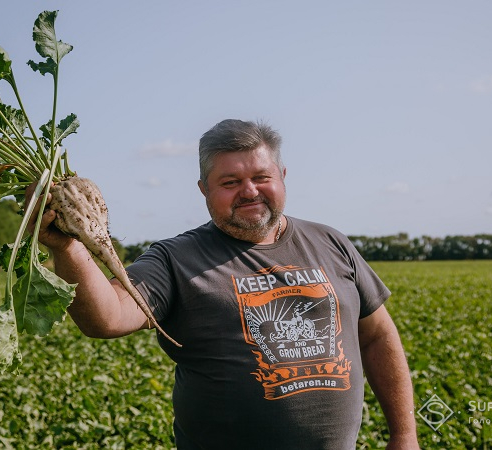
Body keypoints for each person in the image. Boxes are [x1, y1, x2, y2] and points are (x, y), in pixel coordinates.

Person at [34, 119, 420, 449]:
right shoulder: (175, 258)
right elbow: (107, 318)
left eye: (261, 177)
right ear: (203, 189)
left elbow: (378, 335)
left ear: (282, 177)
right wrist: (67, 246)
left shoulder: (330, 242)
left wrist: (405, 435)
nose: (249, 191)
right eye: (231, 182)